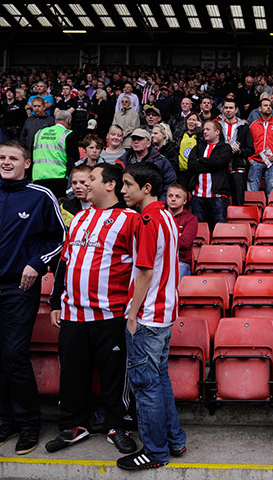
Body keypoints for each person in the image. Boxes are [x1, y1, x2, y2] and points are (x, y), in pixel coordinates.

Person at [0, 139, 65, 455]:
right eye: (2, 157)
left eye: (13, 158)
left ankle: (30, 424)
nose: (6, 162)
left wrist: (36, 263)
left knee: (15, 355)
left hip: (19, 291)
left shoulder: (40, 196)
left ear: (27, 164)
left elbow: (59, 239)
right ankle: (7, 421)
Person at [46, 163, 138, 455]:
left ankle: (117, 426)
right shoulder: (80, 218)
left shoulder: (130, 219)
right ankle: (74, 425)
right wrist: (55, 300)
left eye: (92, 179)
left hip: (110, 314)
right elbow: (65, 261)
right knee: (72, 372)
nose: (83, 185)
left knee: (114, 376)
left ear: (110, 185)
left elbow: (142, 268)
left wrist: (134, 311)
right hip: (72, 314)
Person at [117, 163, 186, 471]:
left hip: (147, 315)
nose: (122, 190)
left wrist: (131, 315)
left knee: (146, 387)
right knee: (159, 380)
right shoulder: (167, 216)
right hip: (164, 312)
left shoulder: (147, 220)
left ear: (146, 188)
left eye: (128, 184)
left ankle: (155, 452)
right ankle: (175, 439)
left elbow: (144, 271)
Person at [187, 119, 232, 228]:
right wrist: (212, 165)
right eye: (204, 129)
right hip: (198, 196)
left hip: (218, 196)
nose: (205, 132)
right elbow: (191, 165)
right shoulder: (198, 148)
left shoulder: (225, 148)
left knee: (220, 229)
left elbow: (219, 162)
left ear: (217, 132)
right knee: (200, 230)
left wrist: (201, 160)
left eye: (208, 129)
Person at [116, 128, 177, 199]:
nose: (136, 141)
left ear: (148, 143)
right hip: (128, 203)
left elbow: (170, 184)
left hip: (153, 203)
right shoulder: (122, 161)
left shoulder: (161, 161)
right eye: (133, 139)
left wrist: (161, 202)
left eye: (140, 139)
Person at [32, 110, 79, 199]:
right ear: (69, 121)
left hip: (38, 176)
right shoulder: (68, 134)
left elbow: (32, 154)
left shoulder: (39, 133)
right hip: (59, 177)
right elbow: (73, 158)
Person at [248, 97, 273, 197]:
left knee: (272, 190)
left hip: (272, 161)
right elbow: (247, 143)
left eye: (270, 106)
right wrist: (249, 158)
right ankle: (254, 209)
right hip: (256, 161)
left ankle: (271, 210)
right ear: (260, 109)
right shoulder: (253, 125)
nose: (268, 107)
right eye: (265, 105)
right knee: (252, 191)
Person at [218, 98, 253, 206]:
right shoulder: (217, 126)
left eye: (231, 108)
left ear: (236, 110)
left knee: (238, 200)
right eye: (226, 108)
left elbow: (251, 149)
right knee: (220, 201)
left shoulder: (244, 127)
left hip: (238, 167)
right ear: (222, 109)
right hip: (221, 167)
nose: (228, 110)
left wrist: (238, 151)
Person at [166, 184, 198, 280]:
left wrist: (163, 236)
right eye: (170, 196)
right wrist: (177, 235)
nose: (173, 199)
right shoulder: (160, 216)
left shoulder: (191, 219)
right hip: (159, 261)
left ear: (184, 201)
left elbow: (185, 243)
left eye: (177, 196)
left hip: (180, 262)